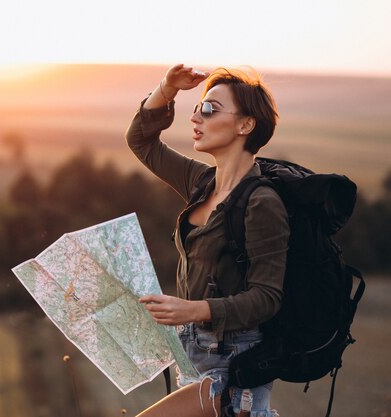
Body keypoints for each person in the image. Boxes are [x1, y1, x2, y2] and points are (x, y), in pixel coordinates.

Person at [125, 64, 289, 417]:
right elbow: (141, 140)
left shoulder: (262, 203)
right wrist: (167, 89)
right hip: (195, 355)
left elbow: (268, 297)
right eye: (198, 108)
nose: (196, 117)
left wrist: (195, 310)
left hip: (234, 368)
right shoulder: (202, 182)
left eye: (210, 109)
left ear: (245, 125)